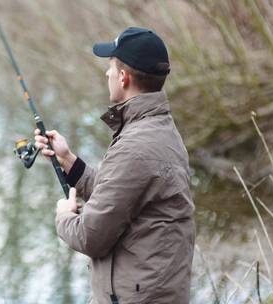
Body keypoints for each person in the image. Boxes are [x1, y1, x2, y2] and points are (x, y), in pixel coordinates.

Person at [34, 27, 195, 304]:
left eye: (110, 67)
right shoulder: (158, 128)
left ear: (123, 77)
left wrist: (64, 216)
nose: (106, 74)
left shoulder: (135, 146)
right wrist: (69, 161)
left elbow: (90, 236)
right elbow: (122, 195)